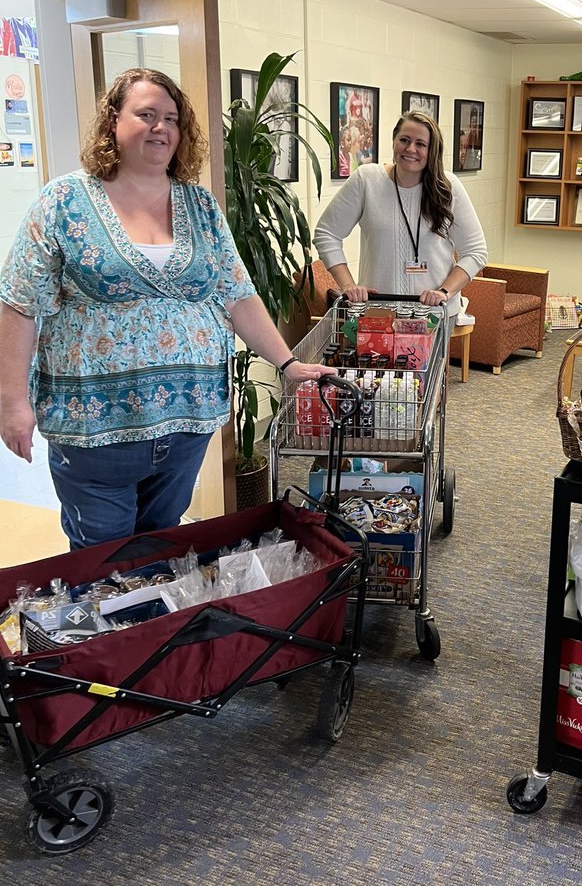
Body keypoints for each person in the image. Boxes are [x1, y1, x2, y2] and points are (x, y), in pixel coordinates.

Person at [0, 68, 333, 549]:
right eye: (147, 114)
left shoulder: (199, 205)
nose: (161, 128)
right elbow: (17, 304)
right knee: (101, 559)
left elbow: (237, 293)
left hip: (188, 419)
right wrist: (12, 402)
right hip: (96, 426)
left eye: (171, 118)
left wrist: (287, 363)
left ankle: (151, 625)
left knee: (161, 546)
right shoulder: (63, 201)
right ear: (113, 120)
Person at [313, 110, 487, 314]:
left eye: (420, 144)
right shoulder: (366, 180)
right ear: (394, 140)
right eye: (404, 140)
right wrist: (348, 286)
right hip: (378, 314)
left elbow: (476, 252)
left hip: (432, 316)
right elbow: (326, 234)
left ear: (432, 150)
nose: (410, 149)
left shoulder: (448, 188)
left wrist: (444, 291)